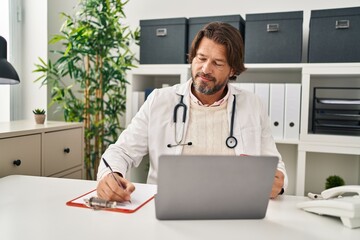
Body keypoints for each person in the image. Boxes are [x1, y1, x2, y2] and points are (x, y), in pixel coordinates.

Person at [96, 22, 287, 202]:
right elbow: (120, 151)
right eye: (201, 58)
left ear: (232, 70)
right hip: (170, 205)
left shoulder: (253, 105)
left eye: (217, 63)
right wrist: (109, 175)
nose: (205, 69)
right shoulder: (159, 100)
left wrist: (278, 183)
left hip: (234, 207)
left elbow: (275, 166)